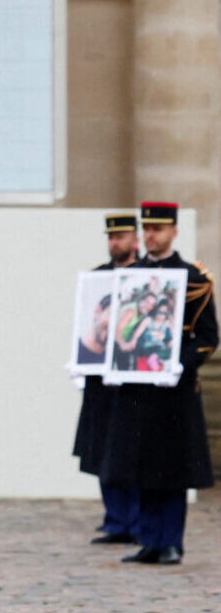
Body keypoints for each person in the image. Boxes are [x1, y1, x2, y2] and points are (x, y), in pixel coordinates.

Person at [97, 202, 216, 565]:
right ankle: (149, 538)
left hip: (173, 389)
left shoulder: (192, 277)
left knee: (171, 466)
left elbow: (208, 336)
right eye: (147, 229)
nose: (151, 236)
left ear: (174, 232)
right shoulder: (130, 276)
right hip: (136, 387)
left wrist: (180, 364)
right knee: (139, 464)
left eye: (159, 230)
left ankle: (171, 541)